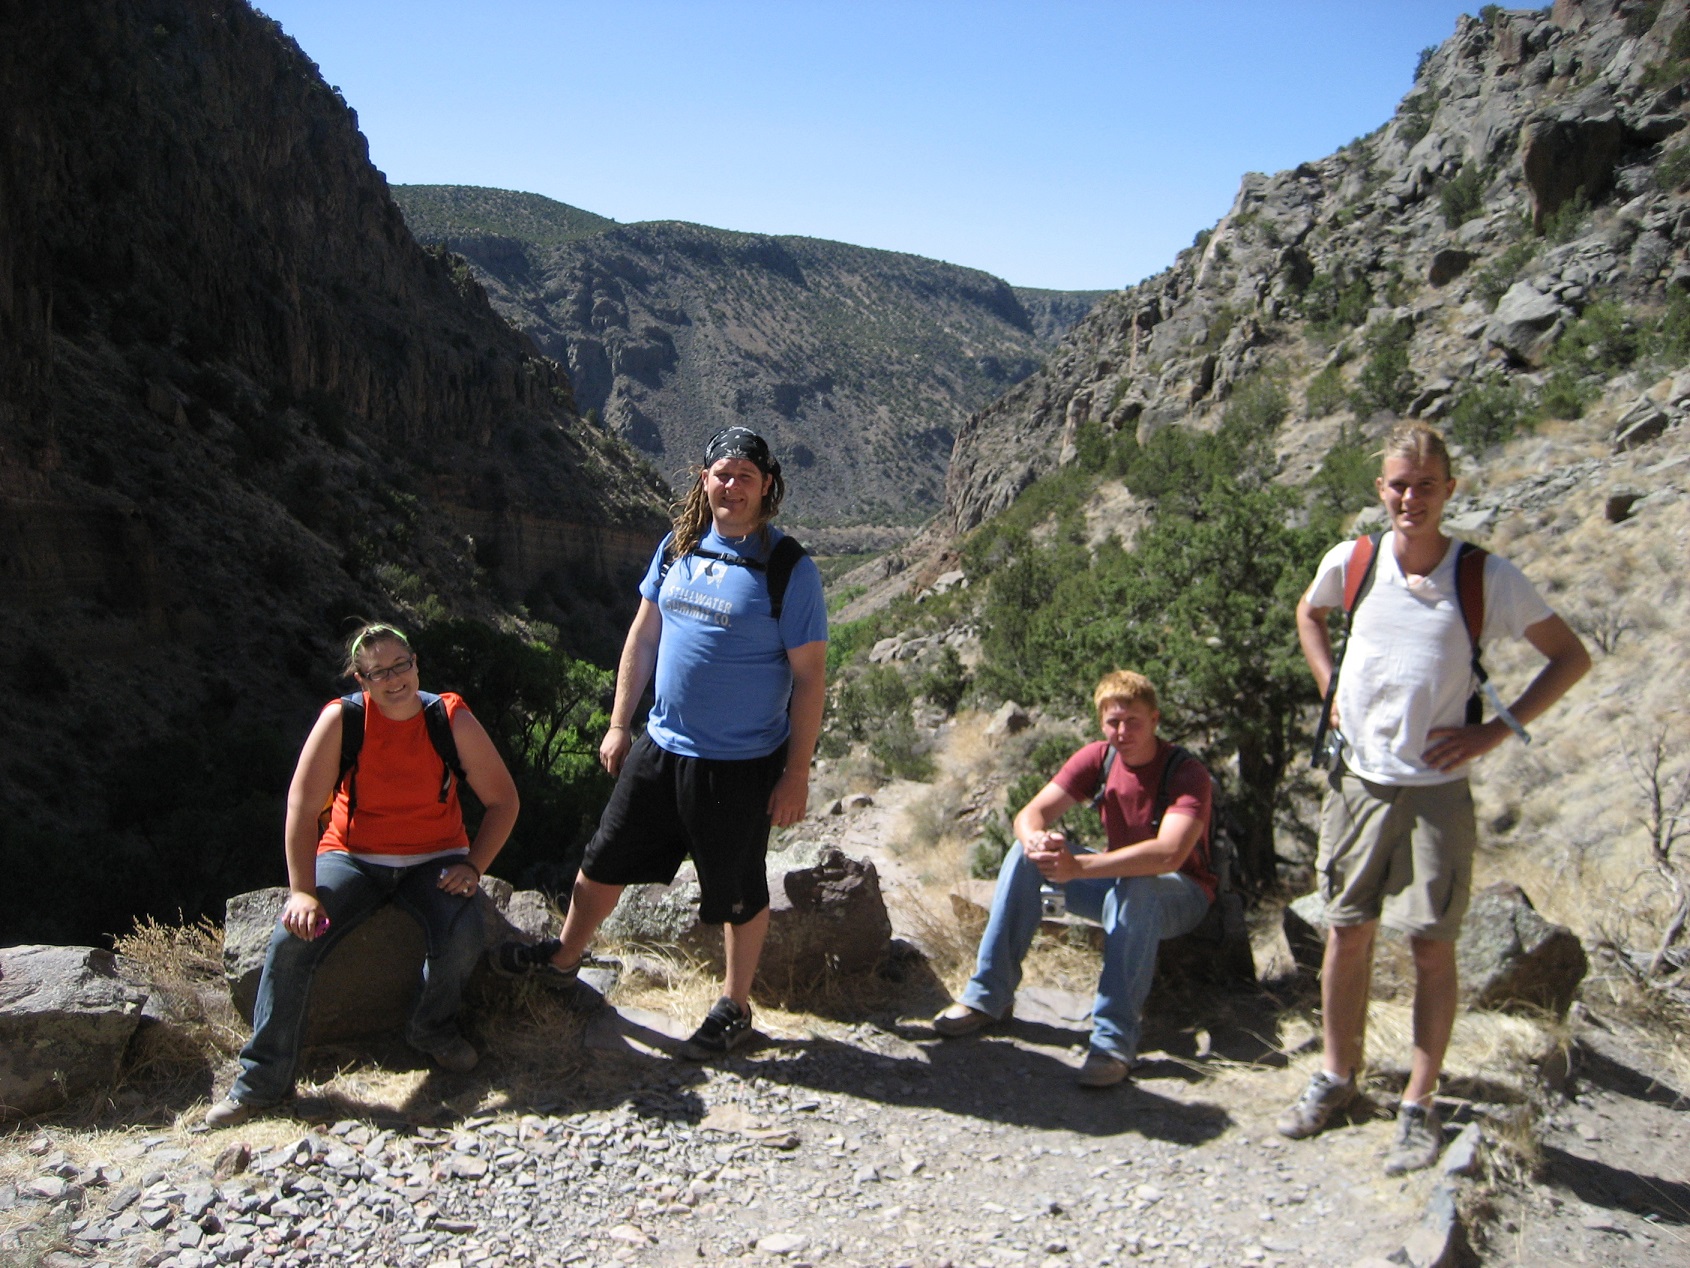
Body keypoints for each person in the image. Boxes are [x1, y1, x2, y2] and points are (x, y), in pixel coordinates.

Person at [1277, 421, 1589, 1173]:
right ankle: (1336, 1077)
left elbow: (1569, 657)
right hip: (1360, 780)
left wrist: (1495, 732)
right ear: (1380, 490)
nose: (1409, 499)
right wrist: (1331, 688)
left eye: (1425, 485)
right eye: (1397, 485)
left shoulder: (1484, 577)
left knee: (1430, 947)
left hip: (1438, 790)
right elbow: (1308, 615)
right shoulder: (1354, 561)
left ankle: (1418, 1103)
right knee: (1347, 931)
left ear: (1450, 489)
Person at [494, 426, 827, 1058]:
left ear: (767, 488)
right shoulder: (678, 547)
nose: (732, 486)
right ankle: (565, 960)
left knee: (737, 888)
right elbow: (643, 638)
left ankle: (735, 1005)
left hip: (738, 763)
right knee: (602, 861)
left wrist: (797, 773)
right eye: (722, 474)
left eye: (746, 477)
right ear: (704, 480)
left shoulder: (789, 569)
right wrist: (620, 723)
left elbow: (810, 679)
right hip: (661, 744)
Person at [205, 623, 520, 1127]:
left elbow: (504, 801)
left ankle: (431, 1029)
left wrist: (473, 865)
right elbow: (302, 806)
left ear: (416, 662)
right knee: (291, 945)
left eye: (402, 666)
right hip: (352, 857)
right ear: (361, 678)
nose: (394, 680)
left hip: (435, 858)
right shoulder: (343, 719)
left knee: (463, 932)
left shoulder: (449, 716)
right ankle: (261, 1085)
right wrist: (303, 891)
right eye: (379, 672)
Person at [933, 670, 1215, 1088]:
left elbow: (1168, 853)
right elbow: (1029, 815)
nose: (1123, 731)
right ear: (1101, 723)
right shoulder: (1099, 759)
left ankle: (1114, 1041)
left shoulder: (1185, 773)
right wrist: (1038, 842)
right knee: (1024, 857)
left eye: (1133, 721)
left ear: (1155, 720)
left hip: (1181, 895)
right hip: (1116, 888)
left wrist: (1078, 868)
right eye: (1113, 722)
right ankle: (988, 996)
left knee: (1136, 883)